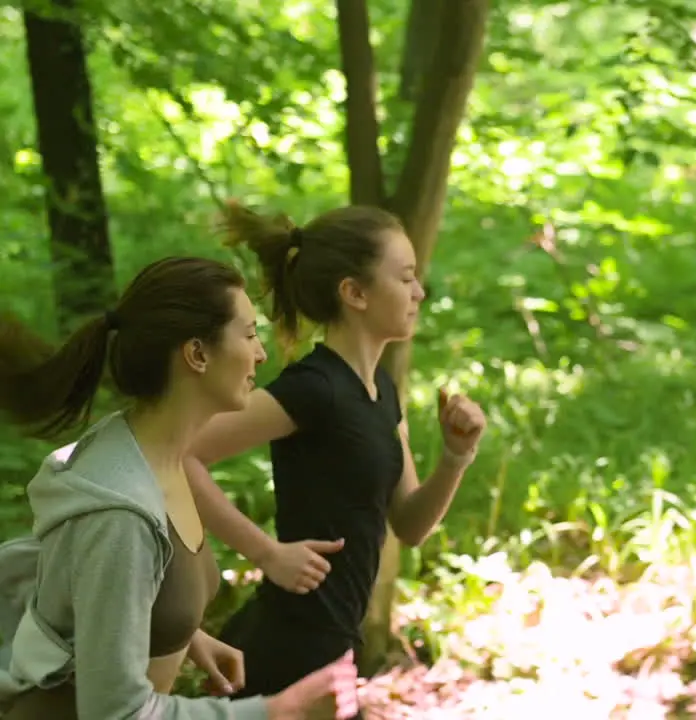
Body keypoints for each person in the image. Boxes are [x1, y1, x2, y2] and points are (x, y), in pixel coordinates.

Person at [0, 256, 360, 719]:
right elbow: (118, 713)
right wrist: (276, 711)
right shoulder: (120, 513)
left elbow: (109, 592)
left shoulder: (151, 453)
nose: (261, 353)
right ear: (197, 354)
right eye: (249, 334)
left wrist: (183, 635)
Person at [181, 203, 486, 708]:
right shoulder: (314, 388)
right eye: (405, 278)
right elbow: (182, 452)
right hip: (289, 642)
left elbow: (410, 524)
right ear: (354, 292)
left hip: (334, 642)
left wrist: (456, 457)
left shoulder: (382, 391)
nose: (419, 292)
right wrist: (265, 553)